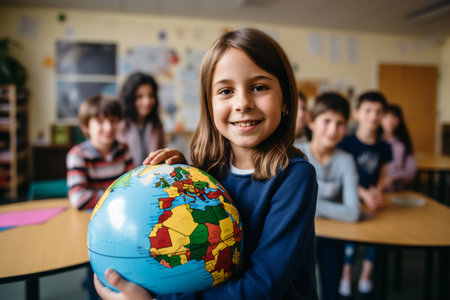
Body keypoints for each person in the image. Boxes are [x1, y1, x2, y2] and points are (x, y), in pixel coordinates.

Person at [93, 27, 319, 300]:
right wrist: (183, 180)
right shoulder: (207, 172)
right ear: (209, 106)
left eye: (259, 87)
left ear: (285, 101)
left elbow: (263, 286)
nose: (243, 103)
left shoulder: (295, 177)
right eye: (226, 91)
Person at [66, 94, 134, 299]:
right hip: (92, 224)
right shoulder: (77, 154)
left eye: (113, 121)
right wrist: (117, 196)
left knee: (124, 264)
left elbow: (132, 187)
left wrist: (115, 197)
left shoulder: (124, 150)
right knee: (96, 269)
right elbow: (79, 198)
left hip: (120, 223)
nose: (108, 127)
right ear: (86, 126)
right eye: (101, 121)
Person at [296, 92, 359, 300]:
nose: (333, 129)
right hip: (300, 234)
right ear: (311, 122)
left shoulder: (346, 160)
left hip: (333, 235)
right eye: (327, 121)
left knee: (331, 289)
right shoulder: (296, 154)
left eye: (340, 123)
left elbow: (352, 213)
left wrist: (308, 203)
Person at [338, 91, 392, 298]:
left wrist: (377, 191)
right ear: (357, 113)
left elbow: (382, 172)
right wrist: (361, 194)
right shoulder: (346, 142)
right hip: (351, 197)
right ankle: (347, 273)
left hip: (372, 199)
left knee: (375, 235)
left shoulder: (384, 146)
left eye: (378, 112)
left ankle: (366, 275)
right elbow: (343, 177)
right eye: (368, 110)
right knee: (352, 234)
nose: (373, 116)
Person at [117, 72, 165, 166]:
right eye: (140, 96)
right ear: (130, 98)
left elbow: (160, 157)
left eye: (151, 96)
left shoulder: (157, 124)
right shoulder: (119, 125)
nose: (147, 102)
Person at [380, 104, 416, 192]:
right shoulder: (375, 141)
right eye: (386, 116)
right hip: (376, 189)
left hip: (398, 190)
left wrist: (392, 177)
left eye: (394, 117)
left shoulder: (403, 143)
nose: (390, 120)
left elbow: (411, 170)